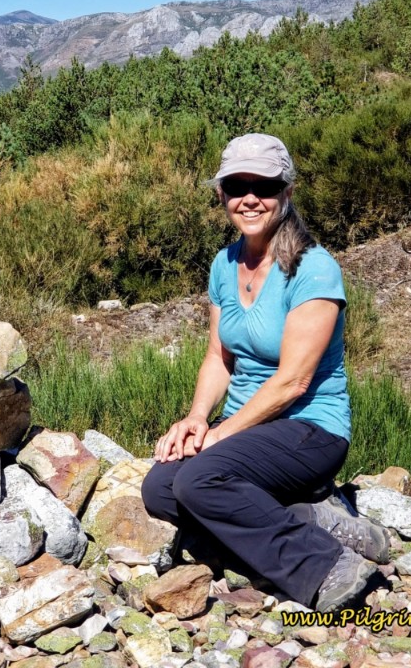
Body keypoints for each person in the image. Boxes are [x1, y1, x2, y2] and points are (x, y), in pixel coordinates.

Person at [140, 133, 385, 612]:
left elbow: (293, 381)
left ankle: (328, 565)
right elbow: (218, 357)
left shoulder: (314, 270)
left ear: (287, 193)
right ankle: (307, 516)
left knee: (198, 482)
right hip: (249, 431)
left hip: (309, 428)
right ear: (221, 195)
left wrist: (220, 435)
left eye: (264, 186)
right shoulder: (223, 265)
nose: (250, 197)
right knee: (160, 488)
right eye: (237, 185)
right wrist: (196, 419)